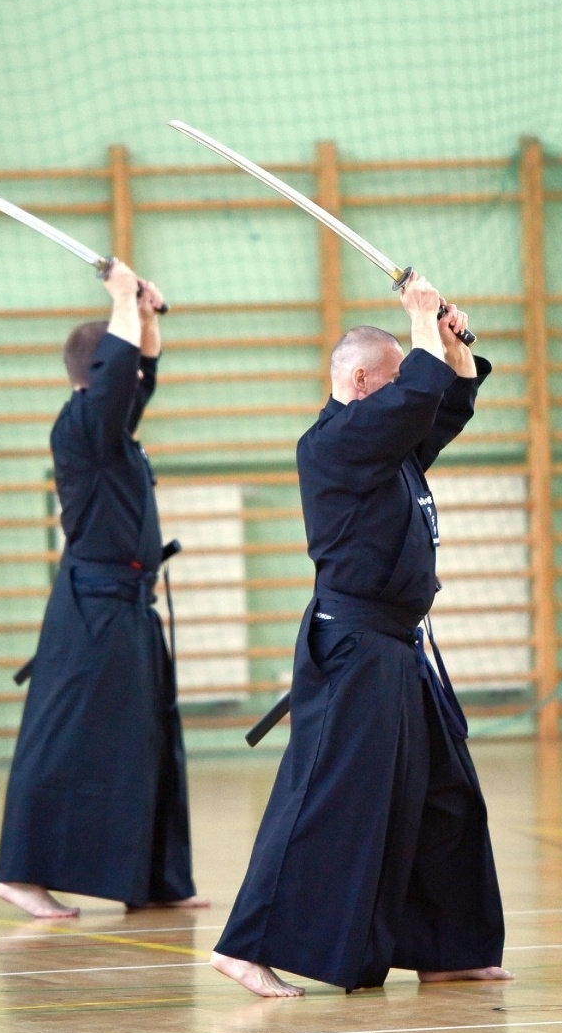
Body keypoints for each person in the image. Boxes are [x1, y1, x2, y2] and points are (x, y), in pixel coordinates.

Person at [211, 273, 511, 995]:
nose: (408, 394)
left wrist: (447, 344)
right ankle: (245, 945)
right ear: (358, 379)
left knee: (446, 795)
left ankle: (446, 944)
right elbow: (415, 395)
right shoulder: (333, 445)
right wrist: (418, 325)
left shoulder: (390, 448)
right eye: (395, 379)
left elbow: (445, 401)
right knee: (325, 797)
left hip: (398, 650)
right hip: (351, 649)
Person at [0, 261, 207, 918]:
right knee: (60, 738)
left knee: (147, 735)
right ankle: (21, 873)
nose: (139, 385)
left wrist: (143, 317)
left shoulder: (112, 430)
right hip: (90, 607)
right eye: (123, 374)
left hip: (129, 606)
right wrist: (121, 297)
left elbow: (139, 376)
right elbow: (123, 378)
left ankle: (155, 880)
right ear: (95, 377)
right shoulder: (80, 426)